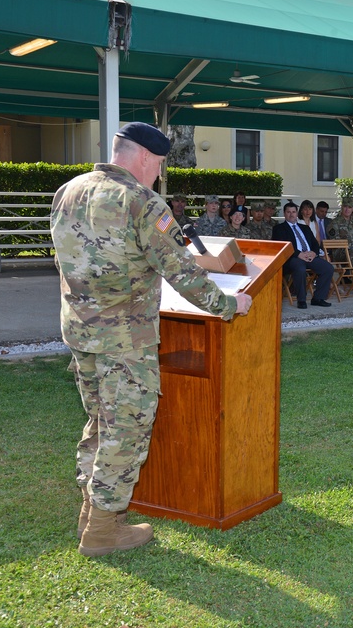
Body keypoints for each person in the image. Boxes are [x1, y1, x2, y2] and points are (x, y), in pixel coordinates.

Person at [51, 122, 251, 557]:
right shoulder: (141, 201)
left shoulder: (69, 191)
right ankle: (105, 530)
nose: (159, 173)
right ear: (144, 157)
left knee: (101, 422)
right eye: (159, 164)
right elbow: (183, 273)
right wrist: (232, 305)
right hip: (126, 340)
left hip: (81, 333)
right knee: (127, 431)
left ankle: (90, 513)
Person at [272, 200, 334, 308]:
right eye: (288, 212)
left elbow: (315, 244)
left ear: (297, 213)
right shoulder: (279, 229)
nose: (291, 214)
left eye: (293, 212)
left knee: (328, 268)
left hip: (309, 256)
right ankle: (301, 300)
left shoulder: (305, 228)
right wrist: (298, 254)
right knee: (300, 268)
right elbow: (282, 246)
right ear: (284, 213)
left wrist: (314, 253)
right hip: (292, 258)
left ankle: (318, 298)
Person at [326, 195, 353, 281]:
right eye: (345, 207)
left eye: (349, 207)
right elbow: (335, 242)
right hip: (340, 253)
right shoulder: (334, 223)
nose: (347, 209)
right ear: (342, 207)